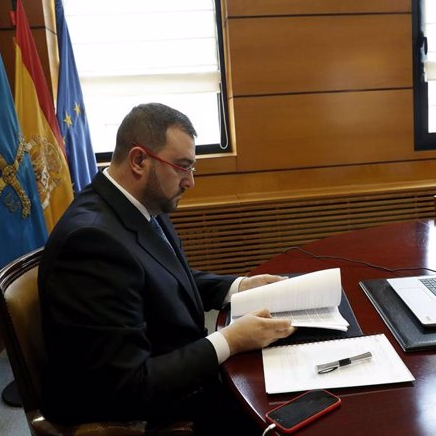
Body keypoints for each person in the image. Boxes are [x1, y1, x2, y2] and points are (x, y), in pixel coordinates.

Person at [38, 103, 295, 433]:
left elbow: (164, 279)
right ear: (139, 160)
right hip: (149, 412)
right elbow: (128, 385)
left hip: (177, 369)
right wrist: (230, 340)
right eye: (182, 167)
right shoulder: (91, 241)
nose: (190, 182)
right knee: (285, 414)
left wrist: (238, 287)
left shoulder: (138, 205)